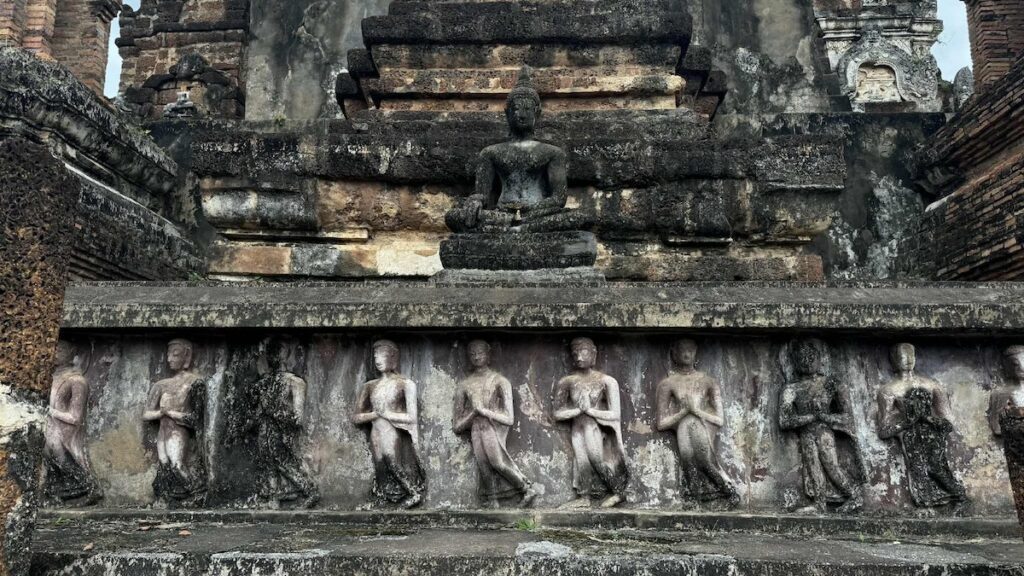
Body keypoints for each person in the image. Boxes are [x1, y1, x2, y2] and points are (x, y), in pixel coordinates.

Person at [444, 66, 593, 234]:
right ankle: (518, 228)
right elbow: (482, 195)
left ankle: (517, 228)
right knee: (454, 217)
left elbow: (558, 198)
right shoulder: (490, 153)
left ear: (537, 113)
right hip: (503, 213)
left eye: (527, 109)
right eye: (516, 109)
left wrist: (531, 210)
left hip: (536, 213)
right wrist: (475, 201)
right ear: (507, 113)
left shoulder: (552, 153)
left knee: (581, 217)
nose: (521, 114)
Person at [779, 338, 863, 513]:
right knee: (813, 467)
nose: (807, 362)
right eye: (801, 358)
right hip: (806, 432)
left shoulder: (830, 383)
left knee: (831, 465)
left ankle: (854, 495)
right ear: (794, 362)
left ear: (819, 359)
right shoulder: (791, 389)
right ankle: (819, 503)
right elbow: (784, 421)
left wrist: (825, 417)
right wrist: (811, 417)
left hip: (824, 432)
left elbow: (847, 416)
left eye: (811, 357)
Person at [453, 340, 537, 507]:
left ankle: (525, 488)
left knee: (497, 462)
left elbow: (509, 418)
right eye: (472, 354)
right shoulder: (464, 385)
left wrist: (485, 412)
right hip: (476, 428)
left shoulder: (500, 381)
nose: (476, 357)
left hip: (492, 428)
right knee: (483, 465)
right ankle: (493, 500)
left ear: (488, 355)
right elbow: (457, 426)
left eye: (480, 353)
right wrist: (473, 414)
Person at [656, 339, 740, 507]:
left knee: (704, 460)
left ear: (696, 353)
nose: (686, 354)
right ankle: (695, 498)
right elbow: (661, 423)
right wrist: (683, 412)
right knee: (687, 459)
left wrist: (696, 411)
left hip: (702, 426)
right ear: (674, 354)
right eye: (682, 350)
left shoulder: (708, 381)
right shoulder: (668, 383)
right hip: (683, 428)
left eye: (690, 350)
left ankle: (727, 490)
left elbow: (719, 420)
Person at [553, 337, 629, 508]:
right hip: (577, 427)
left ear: (594, 354)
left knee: (596, 459)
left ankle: (618, 492)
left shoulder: (606, 381)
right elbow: (557, 413)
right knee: (581, 461)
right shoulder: (567, 382)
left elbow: (615, 414)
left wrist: (590, 411)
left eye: (583, 352)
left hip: (594, 427)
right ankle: (584, 496)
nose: (579, 357)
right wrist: (578, 411)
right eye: (575, 354)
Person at [352, 340, 425, 508]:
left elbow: (411, 417)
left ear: (393, 357)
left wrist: (387, 414)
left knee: (392, 462)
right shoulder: (369, 386)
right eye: (375, 356)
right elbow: (356, 417)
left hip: (390, 429)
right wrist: (374, 414)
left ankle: (413, 493)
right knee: (379, 465)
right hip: (375, 430)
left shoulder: (405, 384)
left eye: (382, 355)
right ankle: (383, 497)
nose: (378, 360)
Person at [143, 338, 206, 506]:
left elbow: (196, 418)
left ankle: (197, 493)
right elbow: (146, 414)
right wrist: (160, 413)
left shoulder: (194, 383)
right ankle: (170, 499)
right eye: (168, 355)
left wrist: (171, 413)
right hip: (162, 432)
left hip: (178, 431)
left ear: (187, 356)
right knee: (164, 466)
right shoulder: (161, 385)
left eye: (175, 355)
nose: (169, 359)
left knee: (177, 465)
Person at [44, 341, 102, 504]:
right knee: (51, 460)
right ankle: (61, 495)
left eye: (61, 349)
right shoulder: (49, 378)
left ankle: (89, 489)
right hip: (49, 427)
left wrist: (51, 411)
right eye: (54, 348)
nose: (55, 352)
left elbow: (76, 417)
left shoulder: (77, 381)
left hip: (65, 430)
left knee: (64, 458)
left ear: (72, 354)